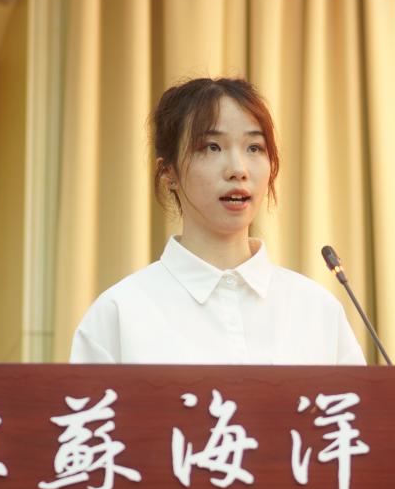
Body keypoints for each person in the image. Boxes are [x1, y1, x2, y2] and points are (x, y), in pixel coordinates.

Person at [70, 77, 365, 365]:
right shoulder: (119, 314)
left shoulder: (317, 311)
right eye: (212, 147)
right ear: (168, 172)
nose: (238, 169)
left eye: (254, 148)